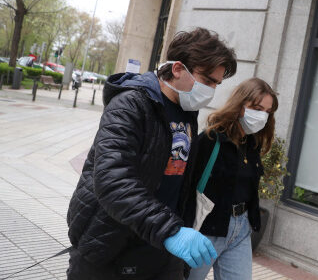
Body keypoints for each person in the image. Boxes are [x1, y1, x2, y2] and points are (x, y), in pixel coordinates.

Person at [66, 28, 237, 279]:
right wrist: (171, 231)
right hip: (110, 244)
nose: (211, 89)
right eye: (208, 80)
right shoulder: (130, 104)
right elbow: (113, 181)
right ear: (178, 69)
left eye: (216, 84)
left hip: (159, 248)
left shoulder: (187, 111)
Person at [186, 78, 278, 280]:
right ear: (241, 104)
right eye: (256, 107)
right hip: (207, 229)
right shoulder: (211, 139)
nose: (261, 115)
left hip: (241, 228)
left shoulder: (251, 143)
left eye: (267, 111)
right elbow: (187, 185)